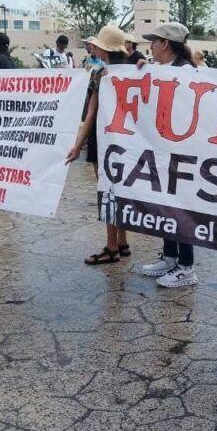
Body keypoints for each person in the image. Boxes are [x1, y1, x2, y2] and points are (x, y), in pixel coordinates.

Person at [135, 22, 200, 287]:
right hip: (166, 150)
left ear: (165, 44)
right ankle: (171, 256)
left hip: (181, 152)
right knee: (167, 204)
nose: (150, 46)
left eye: (154, 41)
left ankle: (186, 266)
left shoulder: (186, 72)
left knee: (180, 206)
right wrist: (141, 70)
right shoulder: (169, 70)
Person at [64, 25, 132, 265]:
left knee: (107, 191)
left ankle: (112, 246)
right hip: (128, 139)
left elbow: (91, 113)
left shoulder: (99, 74)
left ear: (102, 48)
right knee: (121, 191)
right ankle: (122, 242)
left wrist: (78, 144)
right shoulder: (133, 72)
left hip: (103, 138)